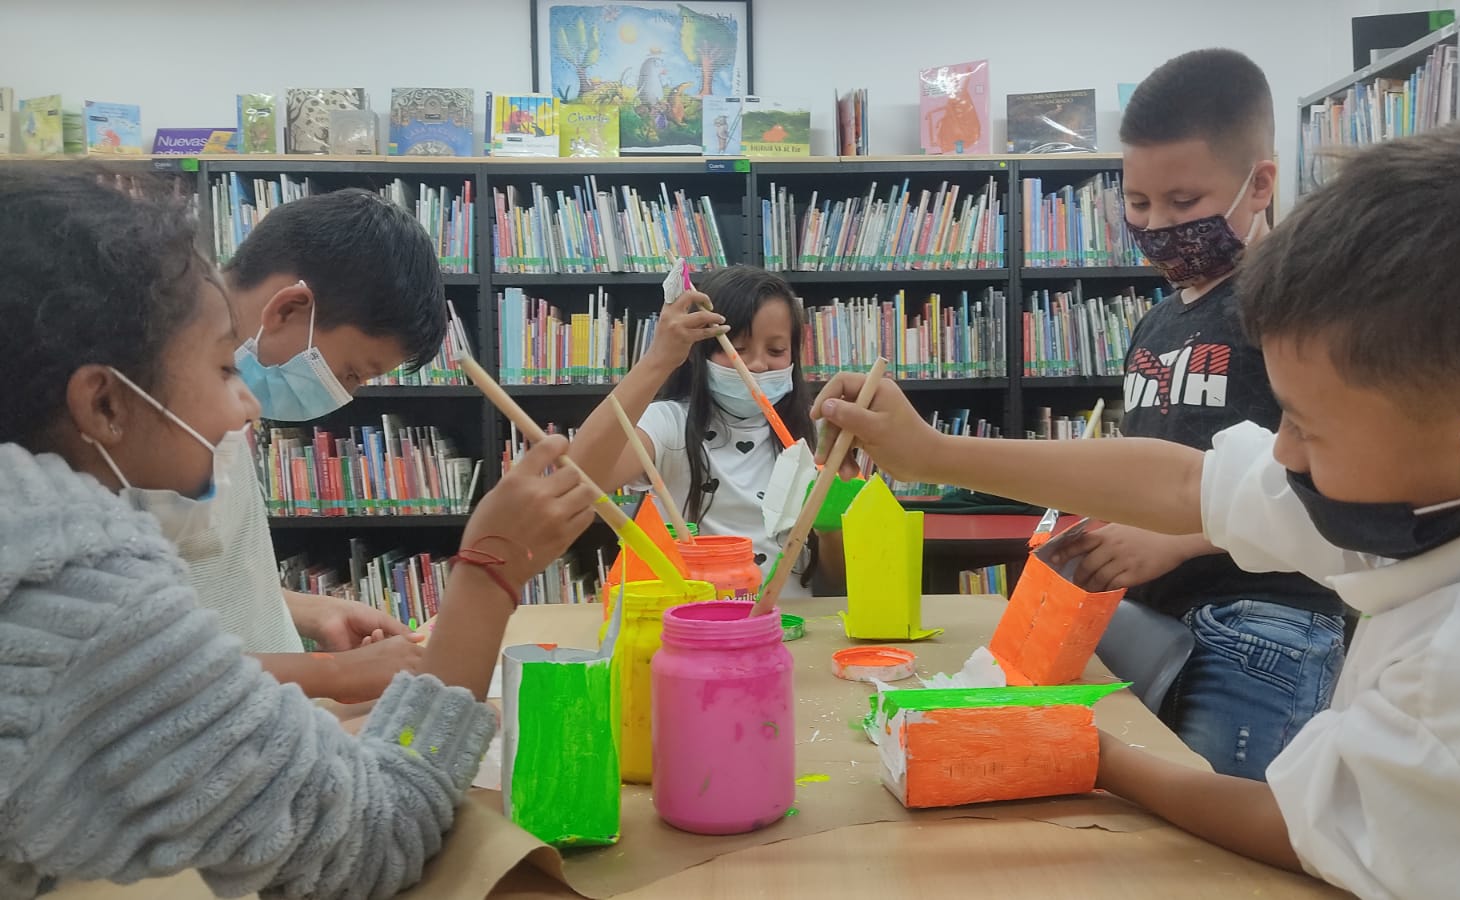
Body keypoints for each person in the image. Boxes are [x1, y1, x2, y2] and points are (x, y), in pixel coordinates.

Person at [811, 100, 1460, 898]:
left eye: (1307, 428)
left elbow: (1325, 835)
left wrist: (1097, 757)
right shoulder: (1450, 472)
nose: (1279, 451)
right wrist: (932, 453)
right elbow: (1186, 481)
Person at [0, 165, 595, 897]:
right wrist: (490, 570)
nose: (244, 413)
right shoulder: (78, 604)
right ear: (103, 403)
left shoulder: (38, 537)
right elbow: (376, 837)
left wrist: (298, 610)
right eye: (224, 368)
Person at [1068, 48, 1343, 779]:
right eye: (1137, 203)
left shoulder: (1293, 309)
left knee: (1224, 862)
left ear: (1260, 184)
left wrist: (1178, 541)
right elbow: (1143, 471)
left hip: (1265, 624)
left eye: (1185, 203)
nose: (1158, 225)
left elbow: (1325, 486)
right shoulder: (1154, 326)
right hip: (1156, 625)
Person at [185, 188, 452, 702]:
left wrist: (311, 610)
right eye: (352, 372)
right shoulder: (158, 415)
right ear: (288, 310)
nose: (345, 395)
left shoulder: (225, 389)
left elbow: (203, 580)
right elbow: (138, 662)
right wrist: (336, 675)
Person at [569, 265, 847, 596]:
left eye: (776, 351)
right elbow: (580, 480)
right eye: (737, 349)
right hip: (697, 629)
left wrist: (832, 529)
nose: (756, 365)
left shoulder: (818, 433)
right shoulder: (668, 424)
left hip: (788, 630)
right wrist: (658, 359)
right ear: (699, 351)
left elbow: (838, 584)